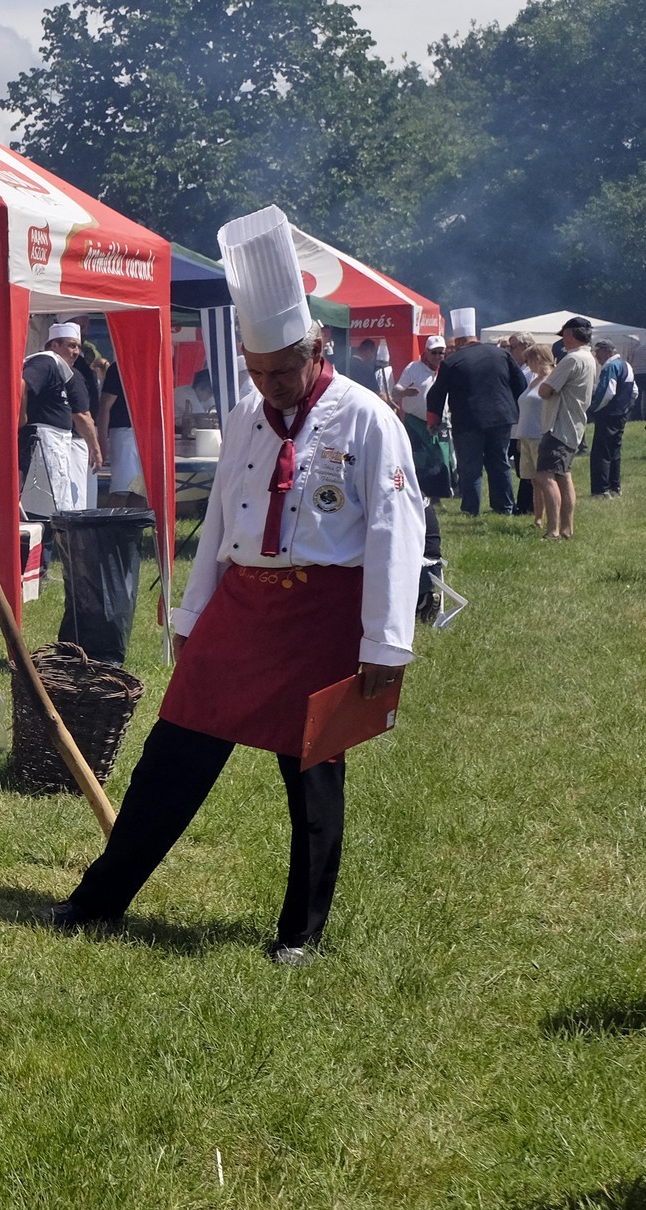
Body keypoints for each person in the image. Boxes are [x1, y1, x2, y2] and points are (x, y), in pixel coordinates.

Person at [49, 205, 424, 967]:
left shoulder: (369, 420)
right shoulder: (250, 413)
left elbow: (396, 530)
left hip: (324, 612)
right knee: (174, 749)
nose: (270, 385)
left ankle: (300, 934)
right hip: (243, 604)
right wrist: (193, 611)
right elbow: (222, 514)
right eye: (257, 371)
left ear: (317, 349)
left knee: (312, 772)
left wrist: (386, 644)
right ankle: (99, 899)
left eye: (283, 370)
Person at [426, 307, 526, 516]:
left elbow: (436, 393)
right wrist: (518, 410)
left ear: (460, 340)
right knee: (499, 462)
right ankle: (504, 506)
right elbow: (520, 384)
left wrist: (433, 419)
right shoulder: (501, 354)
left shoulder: (452, 361)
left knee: (470, 466)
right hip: (501, 418)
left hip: (468, 420)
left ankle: (471, 509)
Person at [21, 321, 101, 516]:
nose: (76, 352)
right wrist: (21, 417)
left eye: (78, 347)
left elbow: (82, 413)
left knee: (57, 501)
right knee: (46, 501)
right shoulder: (46, 361)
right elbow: (22, 383)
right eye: (71, 345)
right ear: (54, 345)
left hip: (57, 442)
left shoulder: (63, 370)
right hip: (44, 440)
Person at [536, 317, 598, 534]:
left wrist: (547, 380)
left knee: (545, 475)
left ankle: (553, 530)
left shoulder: (571, 359)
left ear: (570, 334)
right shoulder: (589, 358)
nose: (562, 340)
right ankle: (566, 528)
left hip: (558, 424)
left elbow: (545, 390)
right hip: (573, 424)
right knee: (563, 476)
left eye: (564, 335)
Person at [392, 336, 452, 500]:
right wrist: (405, 392)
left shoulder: (446, 369)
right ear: (426, 352)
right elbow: (395, 391)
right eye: (434, 352)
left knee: (442, 456)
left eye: (441, 353)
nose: (438, 356)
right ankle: (419, 491)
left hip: (440, 420)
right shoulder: (414, 368)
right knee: (419, 457)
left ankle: (440, 493)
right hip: (416, 421)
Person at [588, 338, 638, 496]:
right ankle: (615, 487)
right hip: (621, 415)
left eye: (598, 352)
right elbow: (634, 391)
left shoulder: (610, 366)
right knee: (615, 451)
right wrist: (626, 408)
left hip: (607, 415)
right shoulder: (626, 365)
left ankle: (601, 489)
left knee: (601, 452)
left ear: (607, 351)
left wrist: (594, 409)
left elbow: (607, 392)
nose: (596, 356)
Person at [513, 346, 553, 531]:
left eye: (529, 360)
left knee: (544, 479)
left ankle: (550, 519)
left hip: (539, 435)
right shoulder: (534, 380)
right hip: (526, 435)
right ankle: (538, 518)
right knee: (534, 480)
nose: (527, 364)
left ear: (538, 359)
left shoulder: (550, 379)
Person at [96, 361, 147, 506]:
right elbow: (105, 406)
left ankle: (135, 521)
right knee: (121, 490)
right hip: (124, 431)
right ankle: (110, 520)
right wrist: (102, 443)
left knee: (141, 491)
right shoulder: (120, 366)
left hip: (148, 433)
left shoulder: (154, 364)